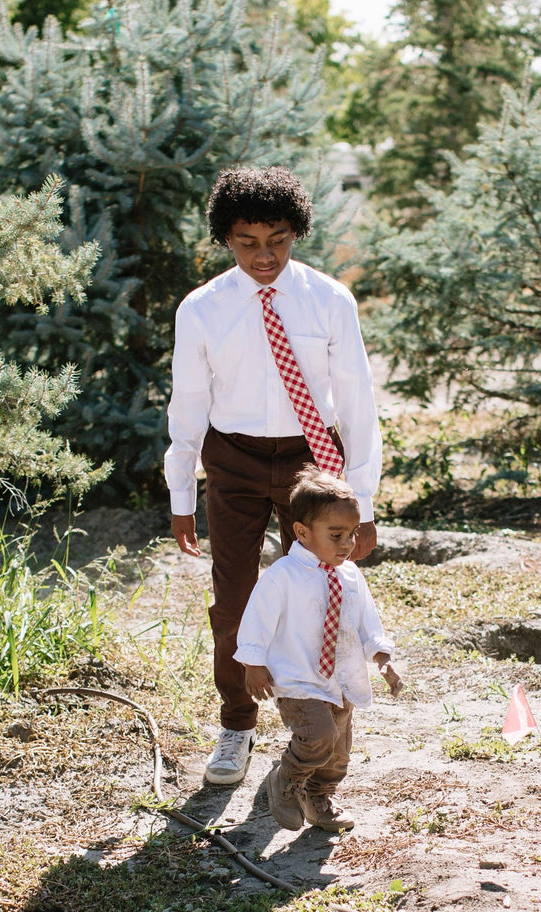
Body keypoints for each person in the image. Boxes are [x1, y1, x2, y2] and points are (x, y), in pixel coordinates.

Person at [165, 167, 383, 785]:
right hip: (231, 457)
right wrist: (183, 492)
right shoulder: (203, 308)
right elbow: (187, 403)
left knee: (314, 596)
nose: (265, 256)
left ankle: (313, 726)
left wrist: (359, 505)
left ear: (298, 232)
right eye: (248, 242)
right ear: (226, 240)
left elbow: (358, 402)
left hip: (311, 460)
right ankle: (236, 723)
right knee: (235, 597)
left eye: (278, 240)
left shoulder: (329, 300)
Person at [235, 468, 401, 831]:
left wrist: (382, 657)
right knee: (317, 737)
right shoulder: (283, 575)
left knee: (338, 751)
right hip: (298, 678)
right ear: (302, 533)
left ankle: (319, 798)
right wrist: (253, 663)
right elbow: (256, 619)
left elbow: (367, 621)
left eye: (352, 533)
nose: (347, 544)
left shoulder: (351, 576)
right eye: (336, 534)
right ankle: (286, 779)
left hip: (342, 679)